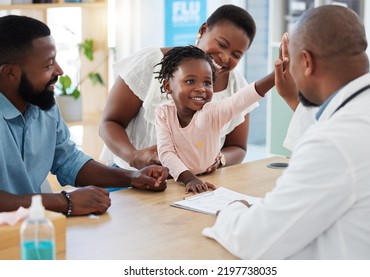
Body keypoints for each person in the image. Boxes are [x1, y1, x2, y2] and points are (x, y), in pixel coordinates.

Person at [203, 5, 370, 259]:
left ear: (306, 62)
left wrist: (232, 211)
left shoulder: (334, 142)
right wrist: (294, 98)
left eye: (292, 61)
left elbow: (256, 241)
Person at [0, 15, 169, 217]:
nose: (59, 71)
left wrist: (132, 177)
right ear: (9, 73)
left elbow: (69, 161)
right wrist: (65, 201)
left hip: (31, 229)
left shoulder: (42, 106)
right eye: (48, 65)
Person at [98, 4, 274, 174]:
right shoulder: (152, 62)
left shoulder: (237, 86)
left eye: (236, 55)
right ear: (203, 30)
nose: (225, 57)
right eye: (221, 44)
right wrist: (134, 156)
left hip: (194, 186)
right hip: (130, 179)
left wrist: (219, 159)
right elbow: (110, 123)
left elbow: (237, 147)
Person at [155, 46, 272, 193]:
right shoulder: (163, 113)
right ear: (168, 86)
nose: (201, 89)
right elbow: (166, 153)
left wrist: (275, 76)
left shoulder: (212, 112)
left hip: (212, 180)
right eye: (190, 81)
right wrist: (189, 179)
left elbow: (242, 98)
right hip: (178, 182)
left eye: (207, 83)